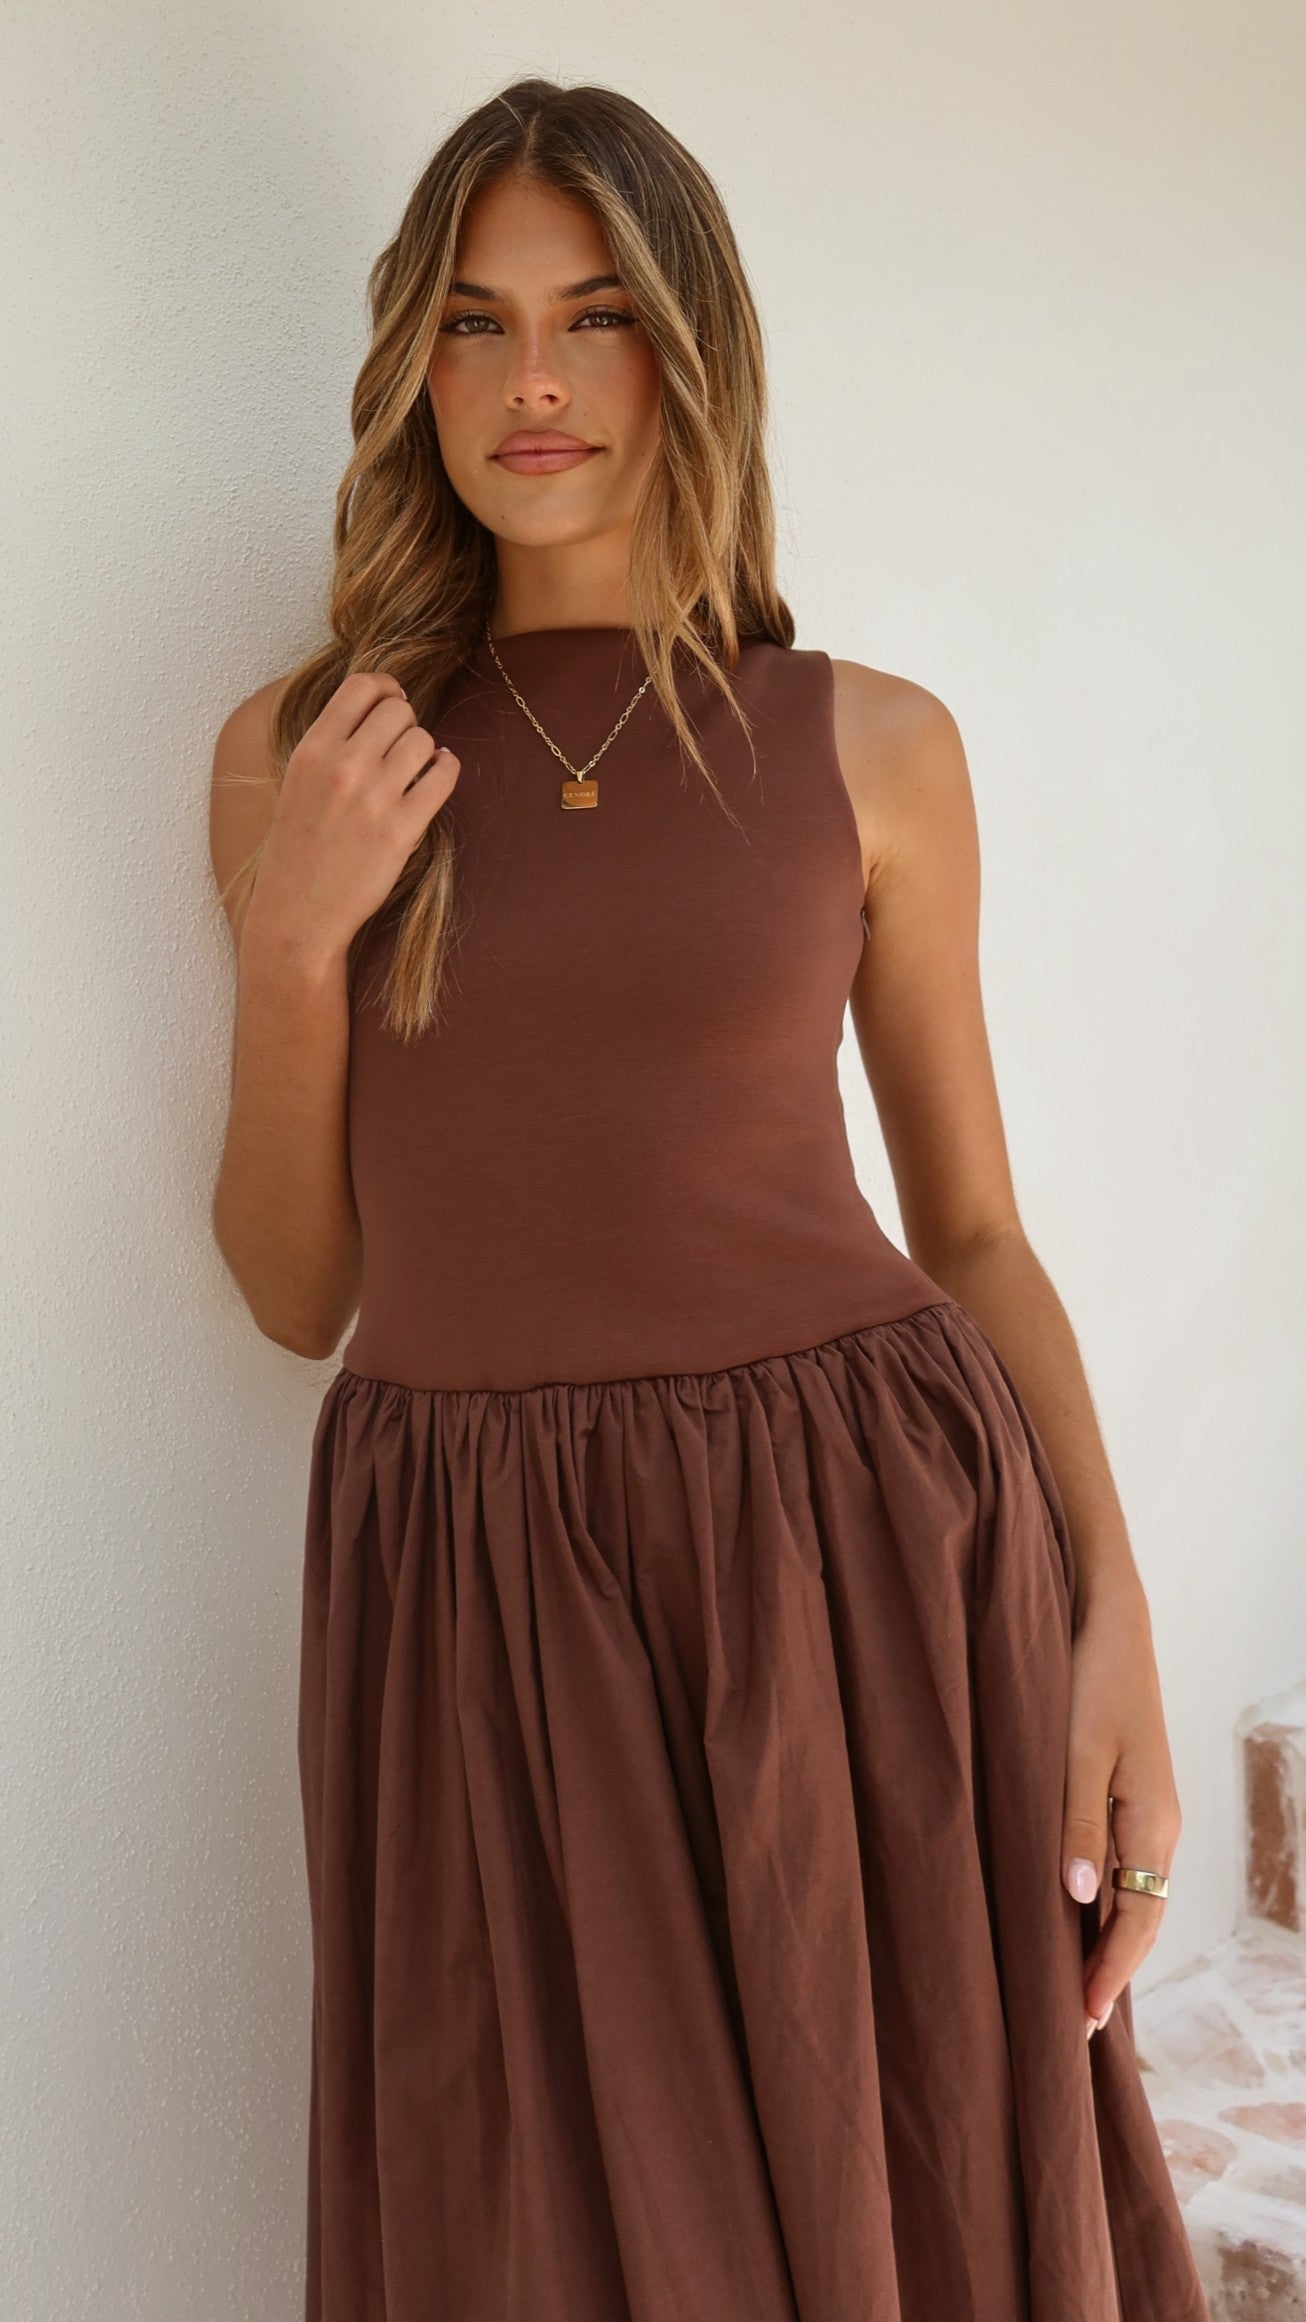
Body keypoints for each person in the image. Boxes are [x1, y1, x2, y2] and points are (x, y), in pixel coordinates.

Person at [208, 75, 1209, 2322]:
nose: (534, 382)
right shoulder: (304, 758)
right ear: (411, 368)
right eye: (473, 324)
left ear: (692, 352)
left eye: (595, 317)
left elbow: (969, 1232)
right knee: (531, 2231)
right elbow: (294, 1287)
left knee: (908, 2199)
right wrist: (292, 944)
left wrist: (1113, 1612)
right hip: (480, 1590)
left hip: (860, 1560)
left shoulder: (870, 745)